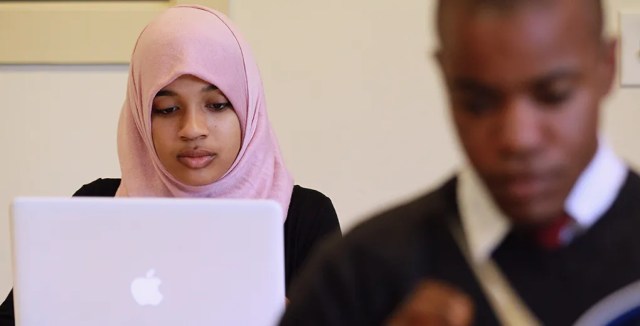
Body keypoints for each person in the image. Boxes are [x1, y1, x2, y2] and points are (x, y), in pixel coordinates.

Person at [280, 0, 640, 324]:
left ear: (607, 65)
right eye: (479, 103)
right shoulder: (357, 275)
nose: (518, 138)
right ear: (446, 73)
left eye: (553, 96)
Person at [0, 5, 340, 324]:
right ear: (139, 117)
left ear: (249, 109)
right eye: (166, 109)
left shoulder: (304, 218)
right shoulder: (95, 207)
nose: (192, 129)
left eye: (218, 104)